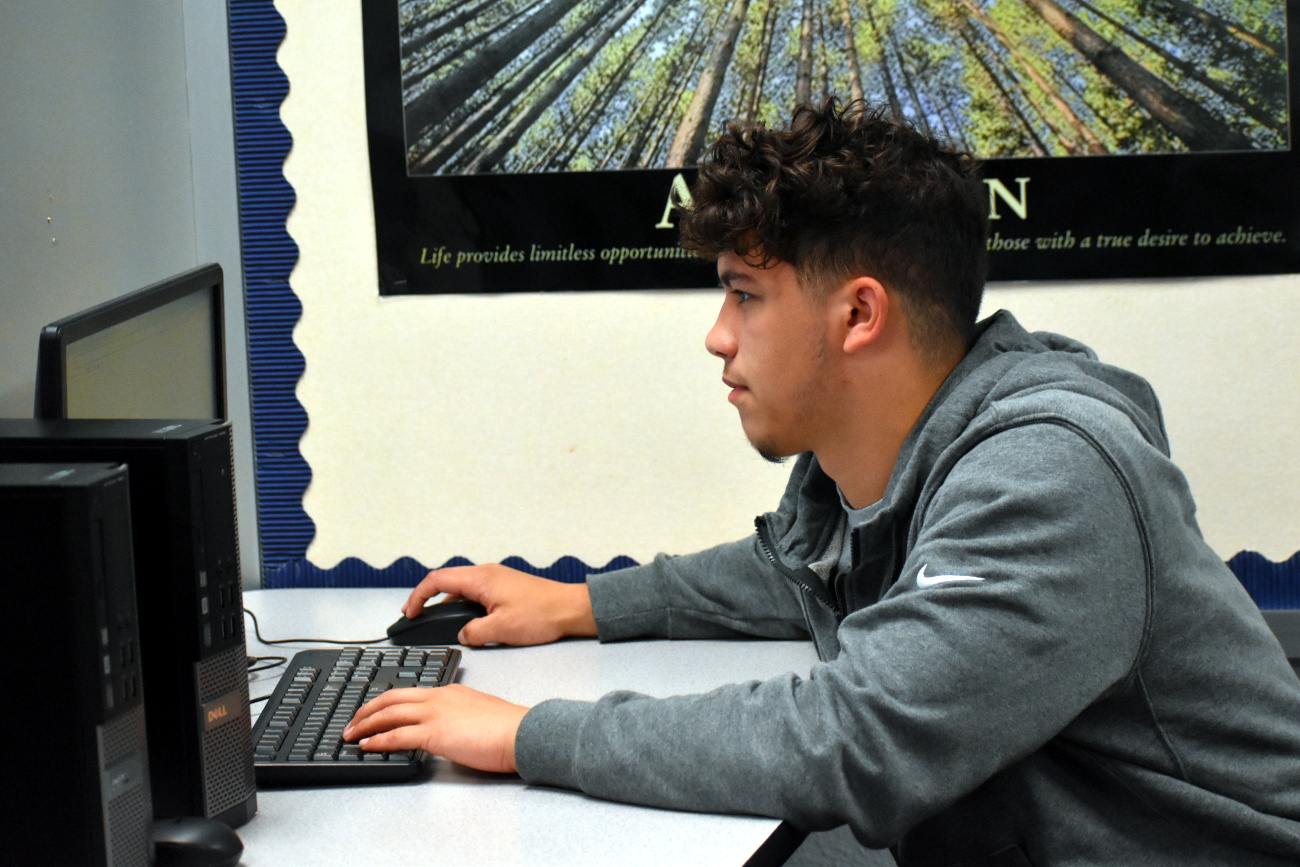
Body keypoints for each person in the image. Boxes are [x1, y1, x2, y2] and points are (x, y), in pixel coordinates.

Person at [344, 100, 1300, 865]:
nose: (718, 335)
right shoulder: (881, 462)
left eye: (745, 294)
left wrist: (526, 736)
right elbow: (791, 568)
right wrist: (575, 603)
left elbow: (855, 740)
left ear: (858, 315)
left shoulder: (1051, 473)